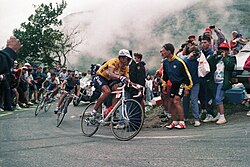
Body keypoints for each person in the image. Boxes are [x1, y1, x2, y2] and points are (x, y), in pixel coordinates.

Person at [90, 49, 131, 122]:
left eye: (129, 59)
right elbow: (111, 74)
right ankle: (94, 110)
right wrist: (120, 77)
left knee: (118, 92)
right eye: (127, 59)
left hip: (110, 80)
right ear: (121, 58)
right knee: (107, 91)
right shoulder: (113, 61)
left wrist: (135, 85)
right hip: (100, 77)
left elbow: (128, 79)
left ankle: (110, 111)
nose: (128, 61)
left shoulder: (126, 67)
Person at [161, 43, 193, 129]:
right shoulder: (165, 62)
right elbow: (165, 76)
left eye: (163, 51)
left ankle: (182, 122)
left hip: (182, 83)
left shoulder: (179, 62)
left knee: (176, 101)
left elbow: (187, 75)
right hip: (173, 84)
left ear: (169, 51)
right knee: (170, 102)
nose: (162, 53)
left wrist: (187, 87)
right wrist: (164, 85)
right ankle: (174, 121)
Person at [207, 42, 236, 124]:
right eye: (221, 50)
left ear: (227, 51)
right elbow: (209, 63)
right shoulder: (217, 59)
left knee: (218, 98)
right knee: (215, 99)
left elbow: (230, 66)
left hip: (223, 81)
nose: (222, 51)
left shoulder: (231, 58)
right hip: (216, 81)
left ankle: (222, 117)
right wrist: (214, 55)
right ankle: (219, 114)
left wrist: (224, 57)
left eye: (224, 50)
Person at [0, 36, 21, 111]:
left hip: (6, 77)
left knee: (8, 89)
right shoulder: (5, 55)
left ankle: (7, 105)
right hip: (4, 76)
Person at [183, 46, 201, 127]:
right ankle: (185, 117)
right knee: (185, 100)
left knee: (194, 100)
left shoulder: (198, 60)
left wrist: (199, 56)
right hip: (187, 82)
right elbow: (182, 65)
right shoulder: (186, 60)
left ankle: (196, 118)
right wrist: (188, 57)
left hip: (195, 82)